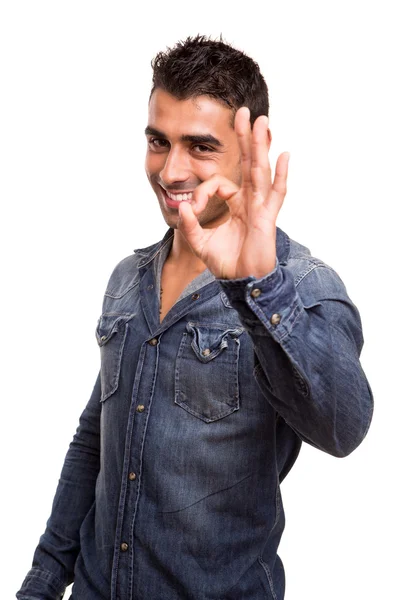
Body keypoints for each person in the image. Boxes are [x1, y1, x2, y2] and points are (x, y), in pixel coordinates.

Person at [17, 35, 373, 600]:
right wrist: (43, 579)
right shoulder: (126, 279)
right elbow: (96, 444)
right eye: (159, 141)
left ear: (249, 149)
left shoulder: (302, 286)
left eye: (200, 146)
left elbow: (344, 428)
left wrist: (258, 287)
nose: (171, 169)